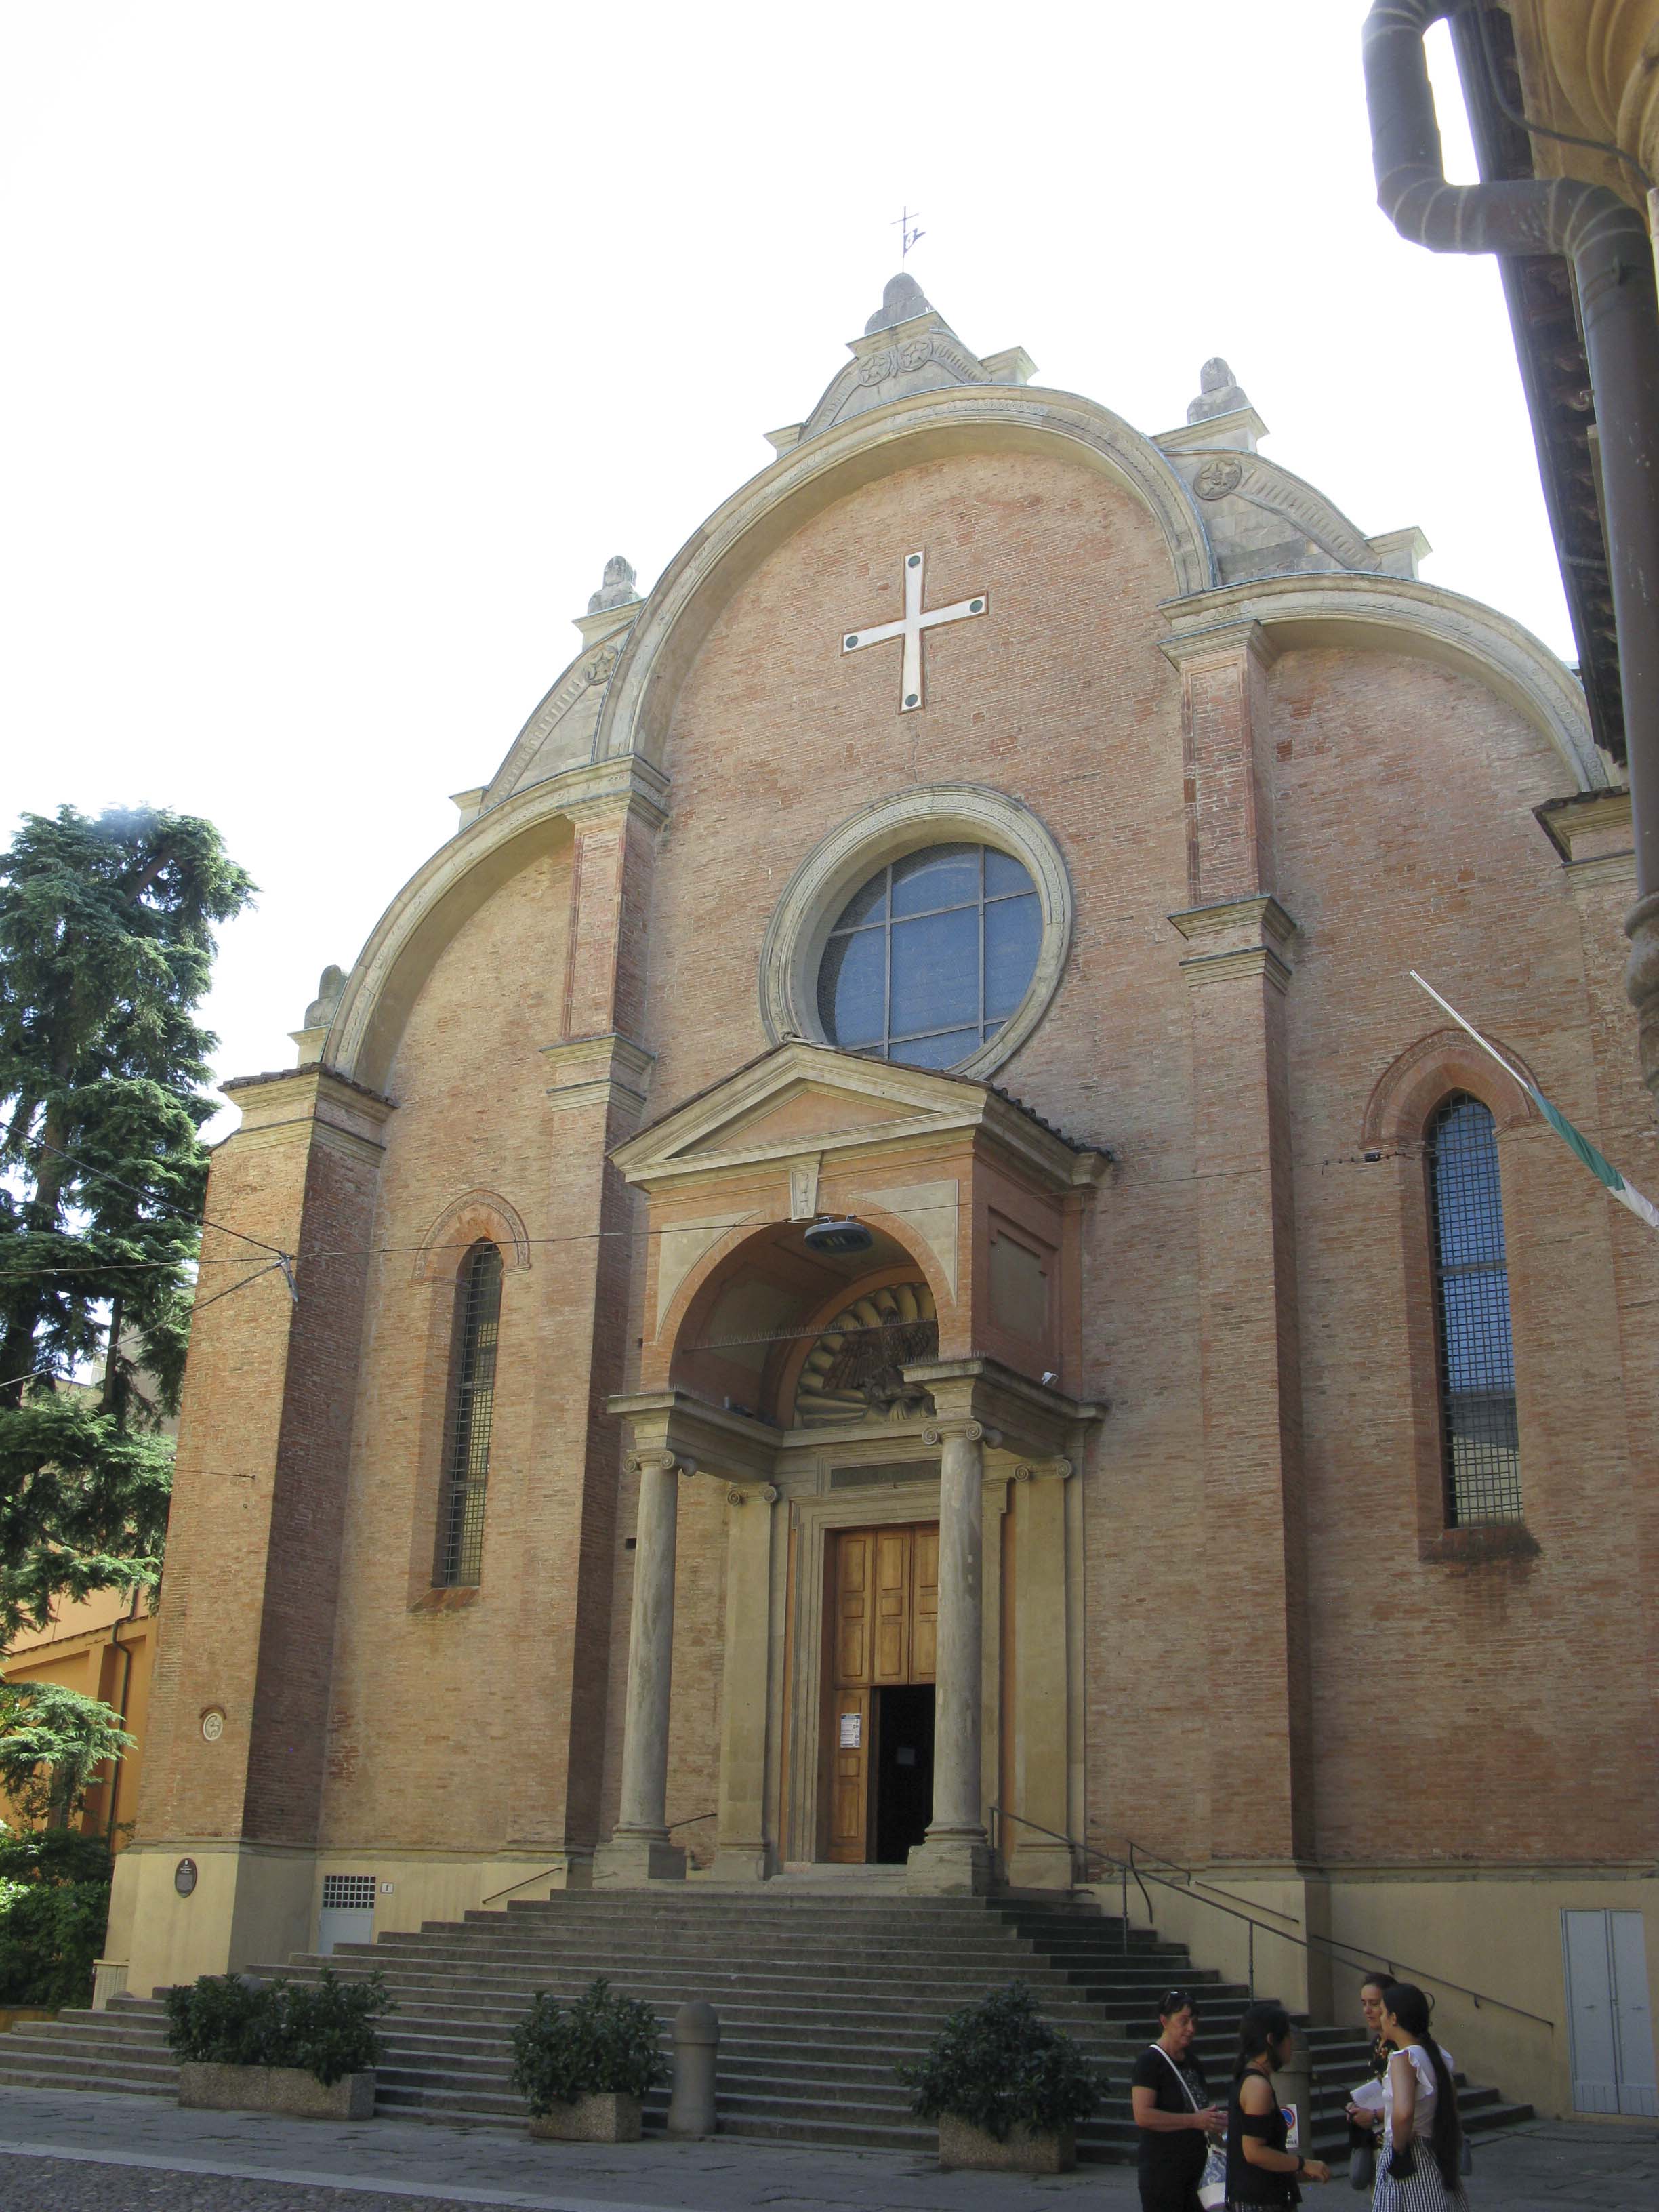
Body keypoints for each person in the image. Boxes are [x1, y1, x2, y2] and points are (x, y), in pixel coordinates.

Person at [1224, 1999, 1331, 2204]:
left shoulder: (1251, 2079)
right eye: (1288, 2036)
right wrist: (1302, 2164)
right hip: (1259, 2201)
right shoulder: (1257, 2086)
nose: (1291, 2042)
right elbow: (1254, 2151)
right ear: (1272, 2040)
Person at [1372, 1981, 1466, 2209]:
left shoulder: (1403, 2058)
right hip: (1435, 2152)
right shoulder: (1435, 2055)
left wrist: (1398, 2148)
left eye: (1382, 2011)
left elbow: (1403, 2113)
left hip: (1410, 2154)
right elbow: (1451, 2102)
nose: (1380, 2017)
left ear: (1394, 2018)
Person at [1130, 1988, 1224, 2212]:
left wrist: (1214, 2119)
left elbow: (1198, 2108)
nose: (1191, 2029)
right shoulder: (1150, 2062)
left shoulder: (1193, 2062)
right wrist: (1195, 2121)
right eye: (1183, 2021)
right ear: (1164, 2021)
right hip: (1163, 2171)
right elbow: (1143, 2115)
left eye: (1194, 2021)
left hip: (1196, 2169)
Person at [1345, 1976, 1391, 2161]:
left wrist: (1373, 2115)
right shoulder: (1377, 2043)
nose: (1367, 2010)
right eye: (1364, 2003)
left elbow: (1413, 2103)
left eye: (1374, 2003)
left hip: (1399, 2141)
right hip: (1378, 2140)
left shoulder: (1403, 2048)